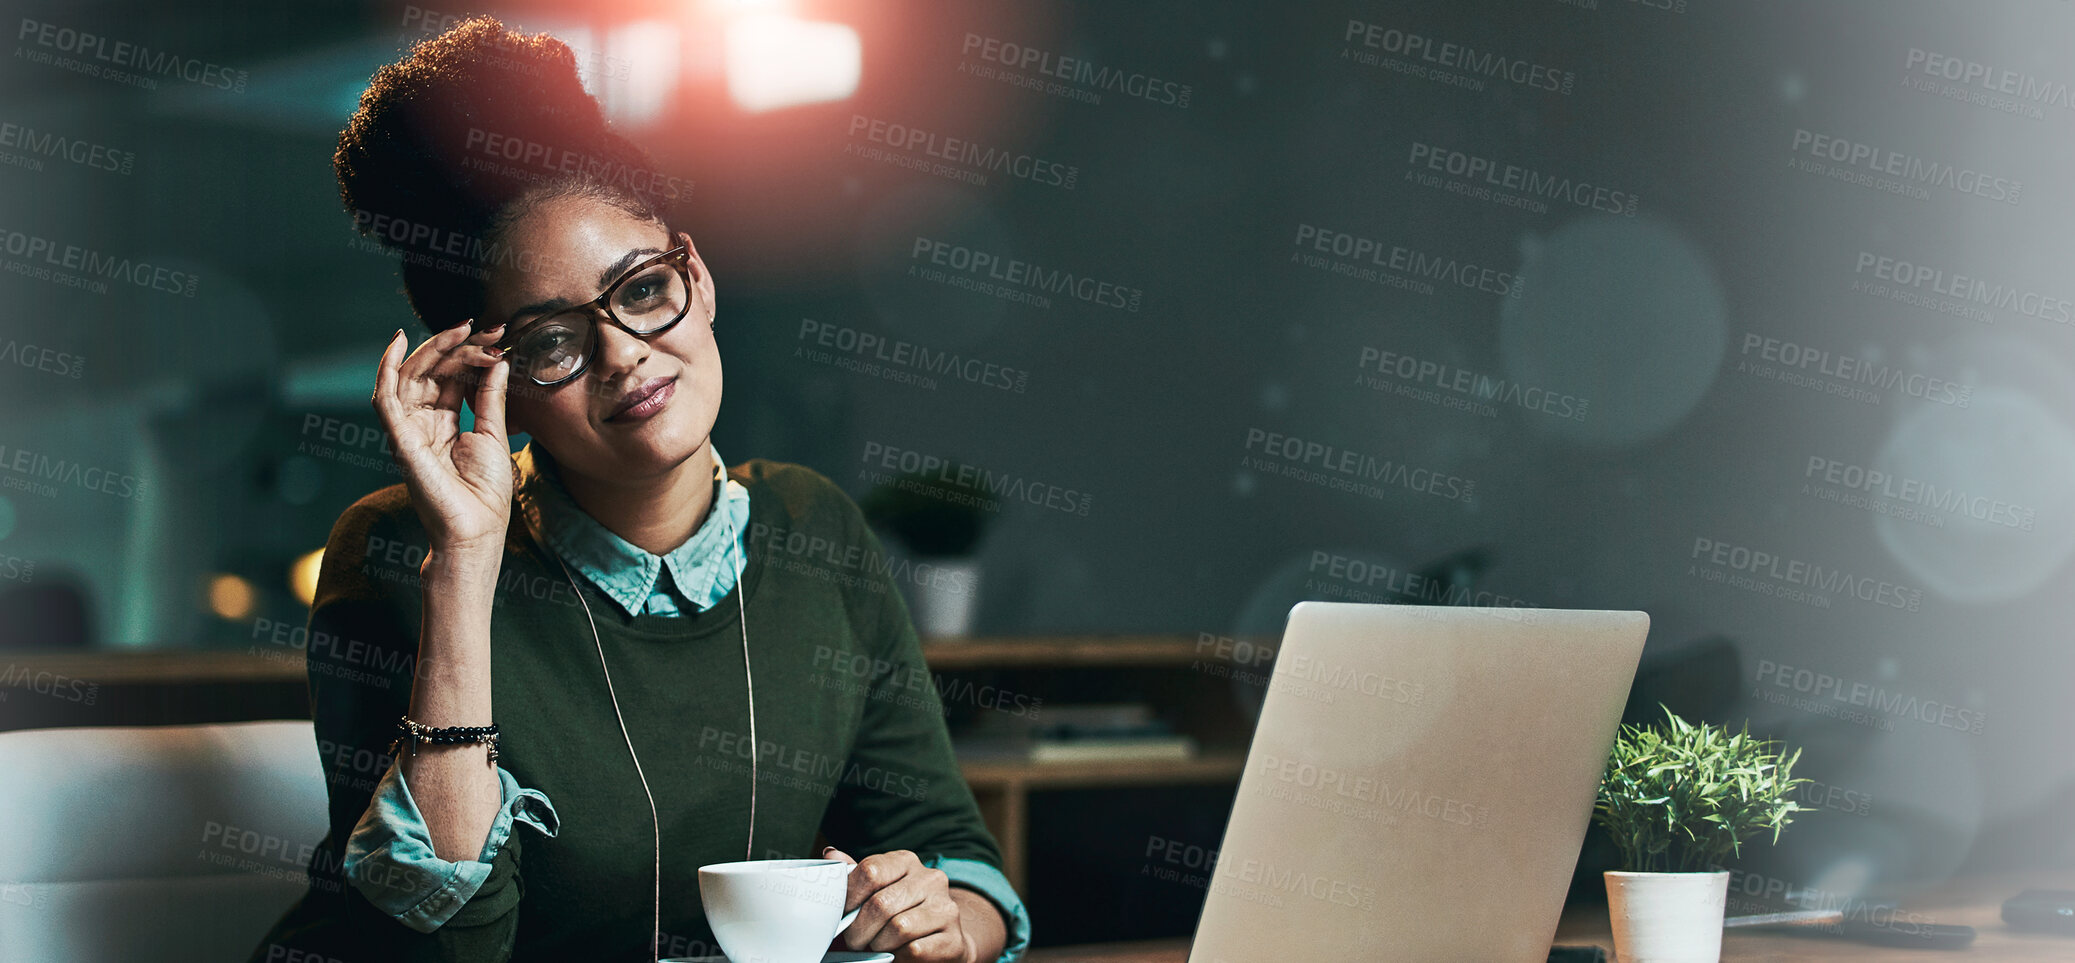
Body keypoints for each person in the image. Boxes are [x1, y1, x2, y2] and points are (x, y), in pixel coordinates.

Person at [249, 17, 1027, 963]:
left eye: (643, 289)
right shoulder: (396, 552)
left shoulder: (810, 525)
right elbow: (445, 950)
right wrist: (461, 563)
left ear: (693, 276)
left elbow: (958, 856)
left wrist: (945, 923)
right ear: (487, 383)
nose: (623, 354)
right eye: (549, 342)